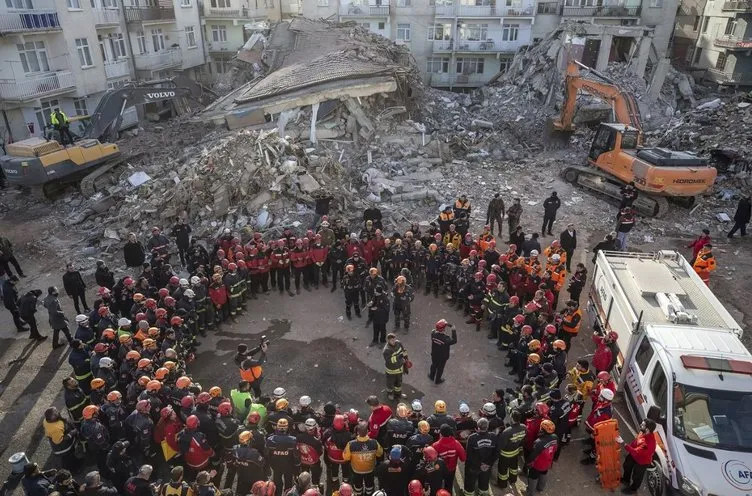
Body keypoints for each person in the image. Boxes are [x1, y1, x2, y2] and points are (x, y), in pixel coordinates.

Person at [343, 422, 383, 496]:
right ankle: (368, 493)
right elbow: (380, 453)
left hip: (356, 470)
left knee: (357, 485)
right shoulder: (374, 443)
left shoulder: (351, 444)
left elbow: (345, 457)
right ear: (368, 432)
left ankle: (359, 493)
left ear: (357, 432)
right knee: (369, 484)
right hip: (370, 470)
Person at [620, 419, 657, 494]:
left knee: (637, 476)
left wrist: (623, 443)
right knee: (627, 466)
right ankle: (626, 480)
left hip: (642, 462)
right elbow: (636, 441)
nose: (640, 425)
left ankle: (633, 489)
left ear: (647, 429)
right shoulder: (642, 432)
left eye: (642, 425)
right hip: (634, 455)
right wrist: (630, 447)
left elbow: (636, 452)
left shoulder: (649, 444)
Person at [266, 418, 300, 495]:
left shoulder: (270, 439)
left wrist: (270, 465)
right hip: (288, 465)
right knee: (288, 484)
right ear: (287, 427)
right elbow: (296, 455)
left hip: (275, 466)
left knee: (277, 483)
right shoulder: (293, 440)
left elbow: (267, 454)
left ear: (277, 427)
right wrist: (297, 466)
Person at [463, 417, 496, 496]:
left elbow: (469, 455)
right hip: (486, 466)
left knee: (470, 483)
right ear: (487, 427)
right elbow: (496, 452)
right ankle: (483, 493)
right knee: (484, 481)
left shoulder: (472, 438)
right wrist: (488, 464)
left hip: (473, 467)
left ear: (477, 426)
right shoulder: (493, 436)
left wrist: (479, 465)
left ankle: (469, 494)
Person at [524, 420, 558, 496]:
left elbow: (533, 455)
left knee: (533, 478)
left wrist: (527, 463)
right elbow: (556, 449)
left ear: (542, 429)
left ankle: (530, 493)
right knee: (544, 474)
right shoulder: (555, 437)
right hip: (548, 462)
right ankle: (540, 488)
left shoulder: (539, 442)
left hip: (537, 465)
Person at [432, 424, 466, 493]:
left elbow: (431, 459)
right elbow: (463, 458)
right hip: (451, 470)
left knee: (438, 486)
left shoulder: (435, 445)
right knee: (449, 486)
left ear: (440, 434)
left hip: (439, 470)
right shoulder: (456, 444)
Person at [497, 410, 525, 489]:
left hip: (505, 454)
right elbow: (522, 440)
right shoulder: (524, 427)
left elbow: (501, 445)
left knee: (503, 470)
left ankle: (502, 484)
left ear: (512, 418)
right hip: (515, 452)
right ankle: (513, 480)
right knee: (514, 468)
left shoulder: (507, 432)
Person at [428, 319, 457, 385]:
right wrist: (453, 330)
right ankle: (437, 380)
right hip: (443, 357)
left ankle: (431, 376)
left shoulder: (433, 334)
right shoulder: (446, 339)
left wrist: (445, 324)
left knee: (433, 365)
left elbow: (434, 331)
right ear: (443, 329)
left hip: (434, 354)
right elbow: (454, 340)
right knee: (440, 369)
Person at [383, 334, 407, 400]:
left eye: (394, 340)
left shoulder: (398, 343)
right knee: (390, 383)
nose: (393, 341)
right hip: (391, 371)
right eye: (392, 340)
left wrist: (406, 359)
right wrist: (398, 357)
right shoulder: (386, 350)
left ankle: (398, 394)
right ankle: (390, 394)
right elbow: (389, 361)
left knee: (399, 383)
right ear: (388, 340)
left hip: (399, 369)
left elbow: (404, 351)